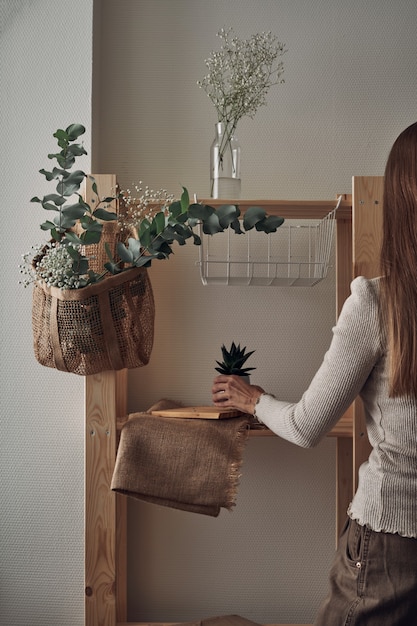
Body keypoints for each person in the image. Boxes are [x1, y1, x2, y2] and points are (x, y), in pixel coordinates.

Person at [212, 120, 417, 626]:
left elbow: (306, 427)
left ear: (397, 199)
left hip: (391, 542)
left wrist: (253, 399)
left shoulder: (376, 302)